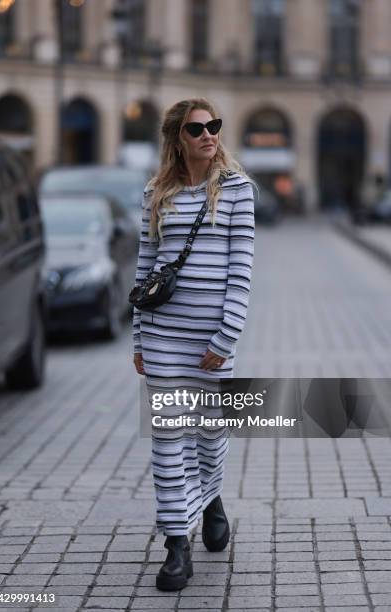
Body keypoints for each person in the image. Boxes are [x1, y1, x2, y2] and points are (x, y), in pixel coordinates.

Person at [132, 98, 255, 591]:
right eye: (197, 128)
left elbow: (241, 271)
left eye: (214, 126)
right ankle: (176, 545)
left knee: (209, 433)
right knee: (168, 437)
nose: (209, 135)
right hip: (163, 337)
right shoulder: (154, 193)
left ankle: (211, 499)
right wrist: (139, 336)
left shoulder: (238, 191)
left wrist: (226, 336)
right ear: (176, 139)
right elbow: (143, 270)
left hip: (211, 340)